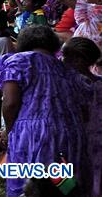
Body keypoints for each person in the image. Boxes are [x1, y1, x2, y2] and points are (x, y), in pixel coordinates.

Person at [0, 26, 90, 197]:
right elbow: (83, 110)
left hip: (33, 135)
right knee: (63, 188)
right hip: (71, 134)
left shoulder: (18, 61)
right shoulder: (67, 69)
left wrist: (9, 131)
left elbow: (10, 103)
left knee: (30, 187)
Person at [61, 37, 102, 197]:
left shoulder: (71, 83)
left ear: (78, 60)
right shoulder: (98, 83)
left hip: (79, 141)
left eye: (64, 56)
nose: (61, 60)